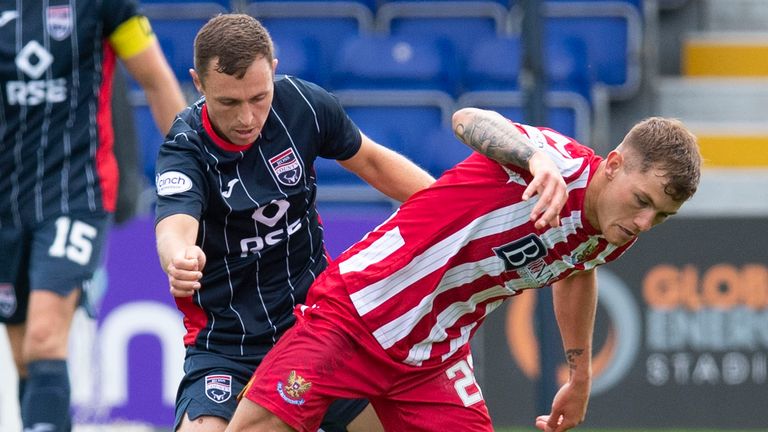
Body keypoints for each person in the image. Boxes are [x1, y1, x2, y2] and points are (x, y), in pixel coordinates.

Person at [225, 107, 702, 432]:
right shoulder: (556, 163)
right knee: (260, 425)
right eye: (643, 201)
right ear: (614, 165)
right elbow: (468, 119)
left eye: (661, 215)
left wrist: (579, 377)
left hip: (434, 355)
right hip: (361, 312)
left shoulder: (613, 229)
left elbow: (579, 272)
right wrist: (532, 157)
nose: (645, 222)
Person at [153, 13, 448, 432]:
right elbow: (174, 225)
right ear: (198, 84)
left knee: (419, 424)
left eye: (259, 97)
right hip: (227, 346)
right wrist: (179, 257)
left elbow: (373, 163)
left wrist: (456, 209)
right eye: (229, 103)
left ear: (273, 71)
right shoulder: (184, 147)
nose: (247, 119)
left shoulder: (303, 106)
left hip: (316, 324)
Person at [0, 1, 186, 431]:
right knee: (26, 357)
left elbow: (157, 81)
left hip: (75, 191)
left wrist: (199, 165)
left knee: (45, 337)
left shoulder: (104, 5)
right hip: (7, 203)